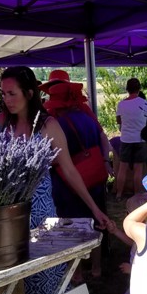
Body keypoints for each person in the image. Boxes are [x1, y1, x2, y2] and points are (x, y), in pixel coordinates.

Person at [0, 66, 110, 294]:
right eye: (3, 94)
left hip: (40, 215)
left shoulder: (47, 125)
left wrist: (95, 209)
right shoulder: (0, 124)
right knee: (12, 283)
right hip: (6, 217)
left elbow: (69, 169)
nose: (6, 99)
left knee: (45, 279)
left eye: (12, 93)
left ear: (29, 93)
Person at [39, 69, 113, 279]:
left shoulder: (54, 123)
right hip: (94, 176)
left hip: (67, 182)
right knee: (96, 221)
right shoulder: (87, 117)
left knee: (71, 226)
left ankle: (77, 272)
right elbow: (102, 139)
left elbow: (55, 157)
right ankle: (96, 268)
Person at [115, 78, 147, 199]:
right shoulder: (146, 104)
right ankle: (137, 195)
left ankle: (119, 194)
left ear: (127, 89)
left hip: (126, 139)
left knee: (122, 168)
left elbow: (118, 120)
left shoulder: (121, 104)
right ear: (139, 88)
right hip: (141, 140)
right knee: (138, 170)